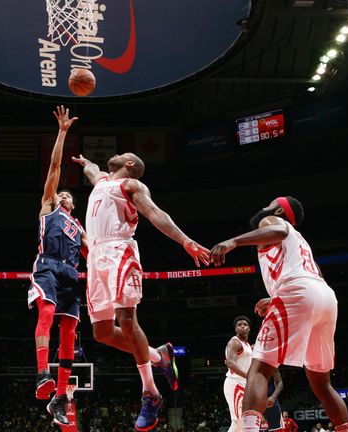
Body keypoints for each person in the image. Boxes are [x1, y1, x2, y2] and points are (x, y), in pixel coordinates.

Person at [73, 152, 210, 431]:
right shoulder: (102, 180)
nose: (118, 154)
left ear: (130, 165)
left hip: (119, 250)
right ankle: (160, 356)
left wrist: (185, 241)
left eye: (123, 154)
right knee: (102, 333)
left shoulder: (131, 186)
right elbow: (92, 170)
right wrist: (85, 162)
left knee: (126, 318)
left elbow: (155, 213)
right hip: (95, 257)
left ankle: (151, 393)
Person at [209, 196, 348, 432]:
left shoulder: (273, 220)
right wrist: (278, 296)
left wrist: (233, 241)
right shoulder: (301, 242)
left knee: (259, 370)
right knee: (322, 384)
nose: (264, 207)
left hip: (297, 292)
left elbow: (277, 230)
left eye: (269, 204)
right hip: (325, 297)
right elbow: (315, 274)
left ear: (278, 210)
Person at [27, 106, 86, 426]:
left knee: (69, 332)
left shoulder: (80, 228)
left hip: (71, 273)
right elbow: (54, 165)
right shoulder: (49, 206)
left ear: (73, 204)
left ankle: (59, 397)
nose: (63, 193)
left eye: (67, 194)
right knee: (46, 313)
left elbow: (97, 256)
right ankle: (40, 375)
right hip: (48, 264)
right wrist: (63, 132)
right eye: (61, 191)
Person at [224, 316, 253, 432]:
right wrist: (249, 376)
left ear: (249, 329)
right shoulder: (235, 342)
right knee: (239, 421)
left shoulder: (246, 345)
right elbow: (230, 363)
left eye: (245, 324)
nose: (242, 326)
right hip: (235, 384)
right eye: (239, 325)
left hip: (243, 383)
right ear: (236, 329)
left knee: (239, 423)